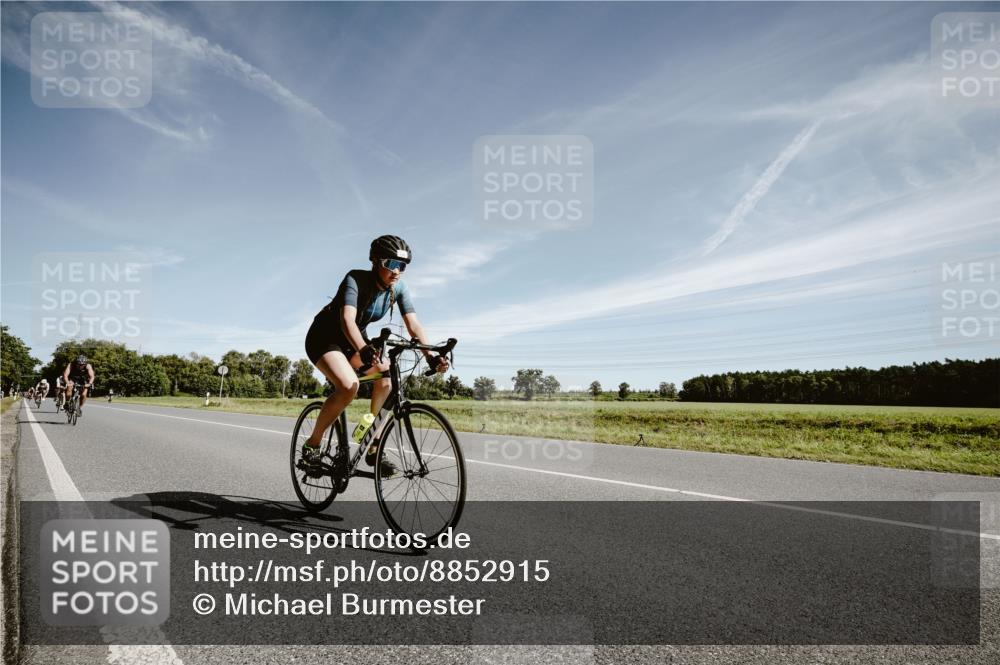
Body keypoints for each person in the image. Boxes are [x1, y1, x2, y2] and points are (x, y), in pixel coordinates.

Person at [301, 235, 449, 476]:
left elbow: (414, 325)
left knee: (386, 379)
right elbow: (347, 319)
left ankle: (372, 444)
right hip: (325, 338)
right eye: (391, 264)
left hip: (355, 342)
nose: (397, 272)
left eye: (402, 266)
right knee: (349, 386)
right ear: (375, 261)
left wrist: (429, 355)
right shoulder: (355, 279)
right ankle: (313, 446)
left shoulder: (398, 288)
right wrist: (363, 348)